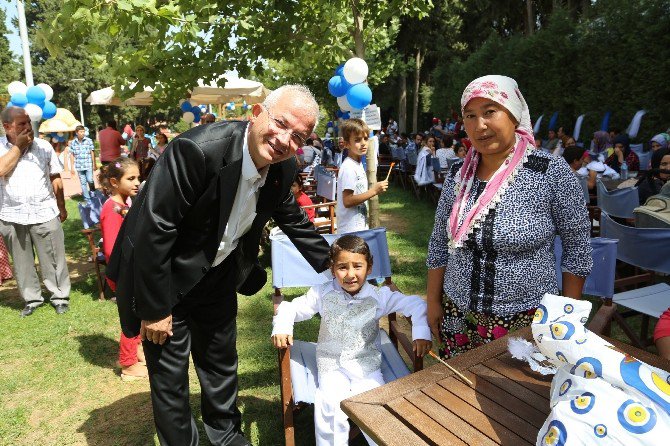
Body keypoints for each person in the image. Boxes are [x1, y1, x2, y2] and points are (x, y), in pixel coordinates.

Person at [106, 84, 331, 446]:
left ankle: (227, 437)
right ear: (257, 113)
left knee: (220, 367)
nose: (284, 139)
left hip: (218, 278)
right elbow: (154, 229)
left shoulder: (282, 168)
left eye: (298, 136)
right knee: (170, 379)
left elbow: (294, 220)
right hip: (166, 280)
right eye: (281, 123)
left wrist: (334, 264)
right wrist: (156, 308)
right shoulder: (196, 151)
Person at [426, 75, 592, 359]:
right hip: (458, 314)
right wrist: (433, 301)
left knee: (519, 399)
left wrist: (565, 316)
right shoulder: (458, 175)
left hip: (525, 319)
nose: (480, 125)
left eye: (490, 111)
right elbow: (440, 242)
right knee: (458, 395)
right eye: (470, 115)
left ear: (514, 114)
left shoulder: (549, 172)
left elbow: (578, 248)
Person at [271, 235, 431, 445]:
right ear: (332, 269)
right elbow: (291, 307)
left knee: (375, 404)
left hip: (366, 364)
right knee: (328, 404)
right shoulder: (322, 293)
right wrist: (283, 325)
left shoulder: (379, 296)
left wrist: (420, 332)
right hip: (331, 363)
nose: (350, 275)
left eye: (357, 266)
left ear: (369, 267)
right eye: (342, 267)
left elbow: (415, 305)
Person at [0, 107, 71, 317]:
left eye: (28, 122)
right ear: (7, 127)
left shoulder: (43, 146)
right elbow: (2, 169)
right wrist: (19, 147)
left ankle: (60, 297)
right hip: (11, 214)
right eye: (21, 124)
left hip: (44, 211)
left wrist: (61, 205)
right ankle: (32, 299)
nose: (27, 127)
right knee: (22, 262)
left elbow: (55, 177)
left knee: (53, 258)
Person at [99, 158, 146, 380]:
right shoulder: (113, 209)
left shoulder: (125, 204)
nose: (137, 182)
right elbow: (110, 249)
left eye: (138, 177)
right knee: (131, 316)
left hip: (130, 271)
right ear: (114, 182)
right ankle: (128, 365)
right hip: (122, 272)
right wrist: (123, 275)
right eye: (131, 178)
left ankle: (137, 351)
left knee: (138, 310)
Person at [336, 119, 388, 234]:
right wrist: (374, 191)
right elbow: (347, 201)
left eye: (365, 138)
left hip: (358, 228)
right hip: (350, 231)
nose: (363, 143)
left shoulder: (358, 164)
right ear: (346, 144)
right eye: (357, 140)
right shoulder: (349, 167)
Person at [68, 125, 97, 204]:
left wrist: (94, 163)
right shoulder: (73, 143)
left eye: (83, 131)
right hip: (79, 166)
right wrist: (72, 168)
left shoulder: (89, 140)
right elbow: (71, 154)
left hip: (88, 164)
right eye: (81, 132)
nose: (83, 133)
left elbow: (92, 152)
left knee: (90, 180)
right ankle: (87, 199)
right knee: (83, 183)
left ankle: (93, 194)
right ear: (77, 133)